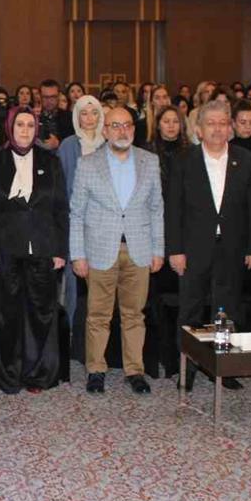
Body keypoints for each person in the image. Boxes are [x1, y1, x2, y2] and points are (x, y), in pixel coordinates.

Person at [165, 99, 251, 391]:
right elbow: (174, 209)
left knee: (228, 310)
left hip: (232, 248)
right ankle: (187, 370)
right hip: (193, 249)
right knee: (190, 312)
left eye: (223, 123)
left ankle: (223, 369)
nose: (217, 129)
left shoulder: (245, 159)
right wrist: (175, 250)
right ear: (199, 129)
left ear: (230, 127)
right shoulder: (184, 160)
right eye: (211, 123)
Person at [0, 106, 68, 395]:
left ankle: (37, 373)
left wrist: (60, 250)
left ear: (36, 129)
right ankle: (9, 374)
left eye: (30, 125)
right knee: (7, 316)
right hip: (4, 251)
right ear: (10, 128)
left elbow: (61, 208)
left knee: (41, 314)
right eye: (20, 125)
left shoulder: (51, 161)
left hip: (43, 248)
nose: (25, 130)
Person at [70, 106, 163, 395]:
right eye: (115, 126)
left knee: (134, 315)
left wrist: (158, 249)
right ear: (105, 131)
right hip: (99, 250)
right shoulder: (88, 164)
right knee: (98, 315)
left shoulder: (150, 161)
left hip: (139, 249)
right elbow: (77, 213)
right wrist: (78, 254)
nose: (122, 131)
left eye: (127, 125)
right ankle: (95, 370)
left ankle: (135, 370)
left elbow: (156, 208)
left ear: (133, 129)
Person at [58, 95, 105, 329]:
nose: (89, 118)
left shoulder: (109, 143)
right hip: (75, 223)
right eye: (84, 113)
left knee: (103, 281)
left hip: (104, 224)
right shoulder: (68, 146)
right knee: (74, 281)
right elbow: (61, 185)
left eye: (94, 112)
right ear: (77, 117)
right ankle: (73, 333)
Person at [36, 79, 73, 151]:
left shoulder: (69, 117)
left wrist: (59, 143)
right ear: (40, 97)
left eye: (53, 97)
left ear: (59, 96)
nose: (49, 101)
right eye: (45, 97)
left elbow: (74, 143)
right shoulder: (33, 117)